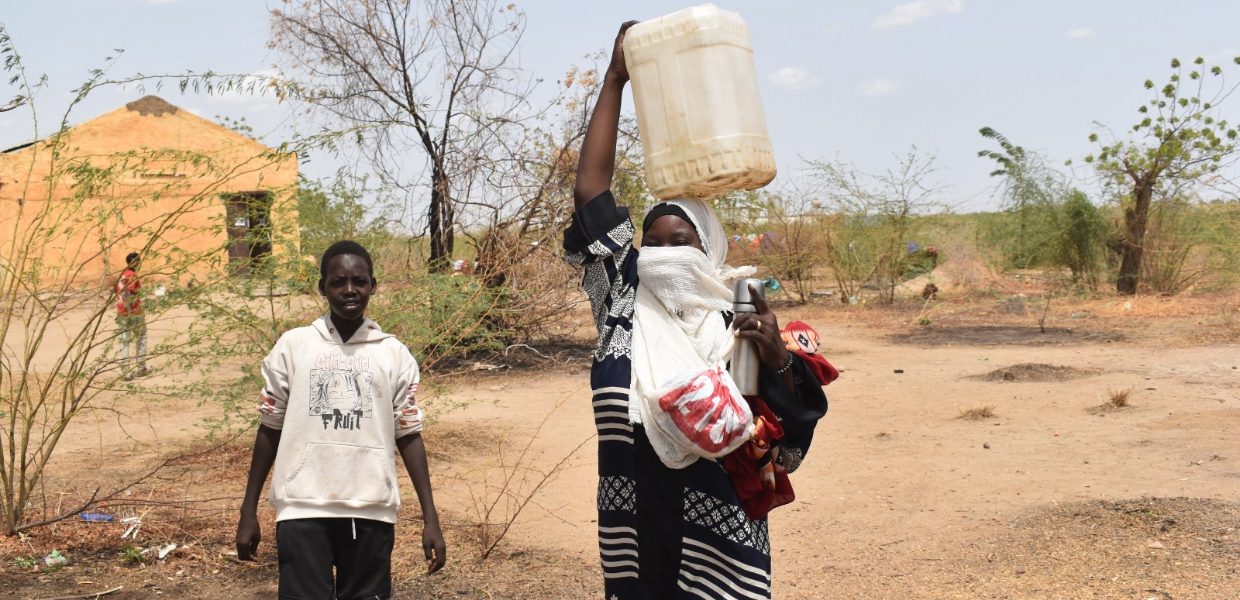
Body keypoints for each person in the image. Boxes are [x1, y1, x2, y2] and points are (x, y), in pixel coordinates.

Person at [563, 22, 829, 599]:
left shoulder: (740, 316)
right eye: (651, 242)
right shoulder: (621, 303)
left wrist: (776, 355)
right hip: (636, 533)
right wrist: (615, 78)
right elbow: (590, 195)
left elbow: (786, 447)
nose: (662, 254)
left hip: (721, 540)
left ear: (708, 248)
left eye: (679, 242)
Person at [236, 240, 447, 600]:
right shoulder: (294, 346)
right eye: (338, 282)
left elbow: (409, 433)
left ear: (373, 285)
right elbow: (270, 427)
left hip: (371, 510)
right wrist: (248, 509)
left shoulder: (392, 353)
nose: (349, 290)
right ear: (323, 288)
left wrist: (431, 518)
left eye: (359, 281)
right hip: (301, 508)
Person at [116, 251, 148, 380]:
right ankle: (141, 368)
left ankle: (126, 372)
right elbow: (128, 293)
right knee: (141, 337)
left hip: (121, 312)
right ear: (135, 262)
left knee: (125, 341)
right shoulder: (132, 276)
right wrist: (130, 311)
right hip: (133, 313)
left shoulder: (122, 275)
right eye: (138, 261)